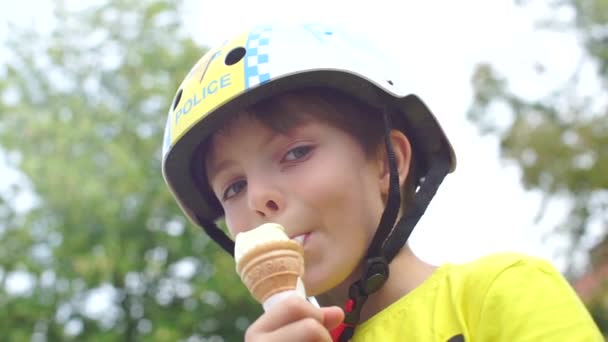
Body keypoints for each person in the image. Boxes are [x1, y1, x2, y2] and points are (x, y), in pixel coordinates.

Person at [161, 23, 603, 341]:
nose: (258, 197)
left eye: (295, 153)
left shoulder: (502, 292)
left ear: (388, 164)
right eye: (233, 187)